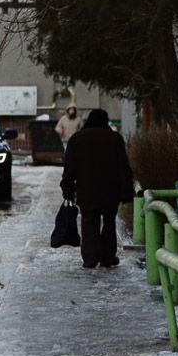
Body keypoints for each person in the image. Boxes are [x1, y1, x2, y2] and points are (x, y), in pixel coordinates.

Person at [60, 109, 134, 268]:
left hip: (86, 191)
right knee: (109, 223)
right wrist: (127, 191)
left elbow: (69, 168)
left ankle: (90, 257)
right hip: (110, 191)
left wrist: (67, 189)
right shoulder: (114, 139)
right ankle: (108, 256)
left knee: (89, 223)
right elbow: (123, 168)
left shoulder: (77, 139)